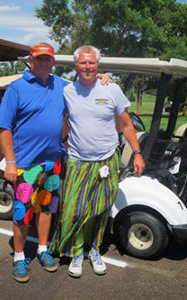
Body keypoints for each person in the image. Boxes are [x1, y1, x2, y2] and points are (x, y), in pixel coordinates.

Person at [0, 43, 112, 283]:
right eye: (39, 59)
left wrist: (103, 78)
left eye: (47, 59)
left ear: (53, 62)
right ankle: (19, 256)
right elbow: (4, 128)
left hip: (53, 163)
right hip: (26, 164)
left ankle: (42, 249)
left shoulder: (62, 86)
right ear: (31, 60)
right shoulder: (16, 89)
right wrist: (10, 162)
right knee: (22, 213)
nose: (43, 63)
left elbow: (86, 86)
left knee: (47, 208)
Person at [50, 45, 145, 278]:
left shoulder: (110, 88)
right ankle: (75, 253)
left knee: (100, 209)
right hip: (77, 162)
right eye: (83, 63)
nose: (87, 67)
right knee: (74, 209)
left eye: (91, 63)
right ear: (76, 66)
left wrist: (137, 152)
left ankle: (93, 250)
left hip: (106, 160)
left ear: (98, 65)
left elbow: (125, 124)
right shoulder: (67, 90)